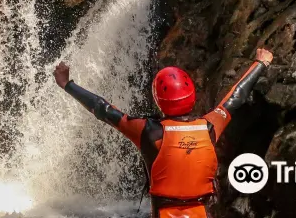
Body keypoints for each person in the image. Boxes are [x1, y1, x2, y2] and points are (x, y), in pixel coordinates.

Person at [54, 48, 274, 218]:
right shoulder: (209, 127)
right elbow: (235, 98)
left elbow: (103, 109)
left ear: (159, 101)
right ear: (192, 96)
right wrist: (260, 63)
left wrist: (67, 84)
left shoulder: (147, 131)